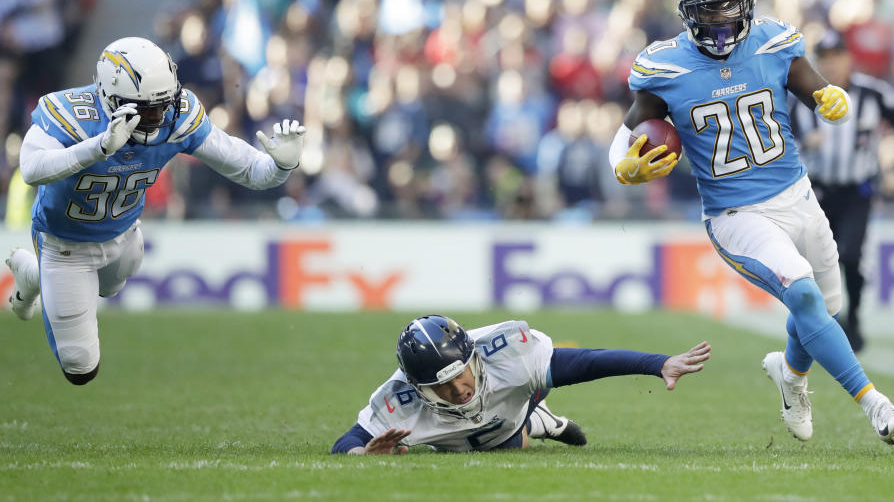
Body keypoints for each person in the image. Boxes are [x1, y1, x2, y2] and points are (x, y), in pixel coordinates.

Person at [609, 0, 894, 445]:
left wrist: (832, 99)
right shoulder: (664, 66)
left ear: (747, 2)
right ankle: (874, 403)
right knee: (806, 297)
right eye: (709, 10)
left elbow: (818, 89)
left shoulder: (774, 41)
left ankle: (790, 376)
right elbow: (624, 134)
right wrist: (622, 167)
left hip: (799, 197)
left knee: (821, 314)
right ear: (687, 13)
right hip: (736, 213)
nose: (722, 19)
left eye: (730, 6)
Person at [5, 36, 305, 385]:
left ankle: (34, 275)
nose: (158, 117)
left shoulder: (178, 117)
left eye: (163, 105)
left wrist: (282, 167)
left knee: (110, 288)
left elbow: (251, 171)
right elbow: (31, 168)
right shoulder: (72, 113)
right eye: (145, 109)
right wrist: (99, 147)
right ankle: (35, 273)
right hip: (65, 244)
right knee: (80, 369)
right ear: (110, 98)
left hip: (124, 235)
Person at [331, 315, 711, 454]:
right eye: (441, 387)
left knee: (504, 438)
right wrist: (361, 455)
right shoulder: (399, 398)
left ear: (472, 358)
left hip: (513, 401)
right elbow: (346, 442)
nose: (459, 389)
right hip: (461, 437)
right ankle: (539, 423)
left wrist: (659, 363)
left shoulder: (508, 354)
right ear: (418, 388)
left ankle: (535, 417)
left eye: (461, 373)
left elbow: (585, 362)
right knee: (474, 447)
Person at [789, 31, 894, 352]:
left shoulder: (872, 94)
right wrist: (803, 141)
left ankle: (853, 317)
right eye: (824, 58)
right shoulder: (799, 97)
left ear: (848, 59)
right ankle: (822, 324)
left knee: (852, 255)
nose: (830, 64)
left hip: (858, 190)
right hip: (815, 191)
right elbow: (778, 136)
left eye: (836, 57)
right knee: (815, 261)